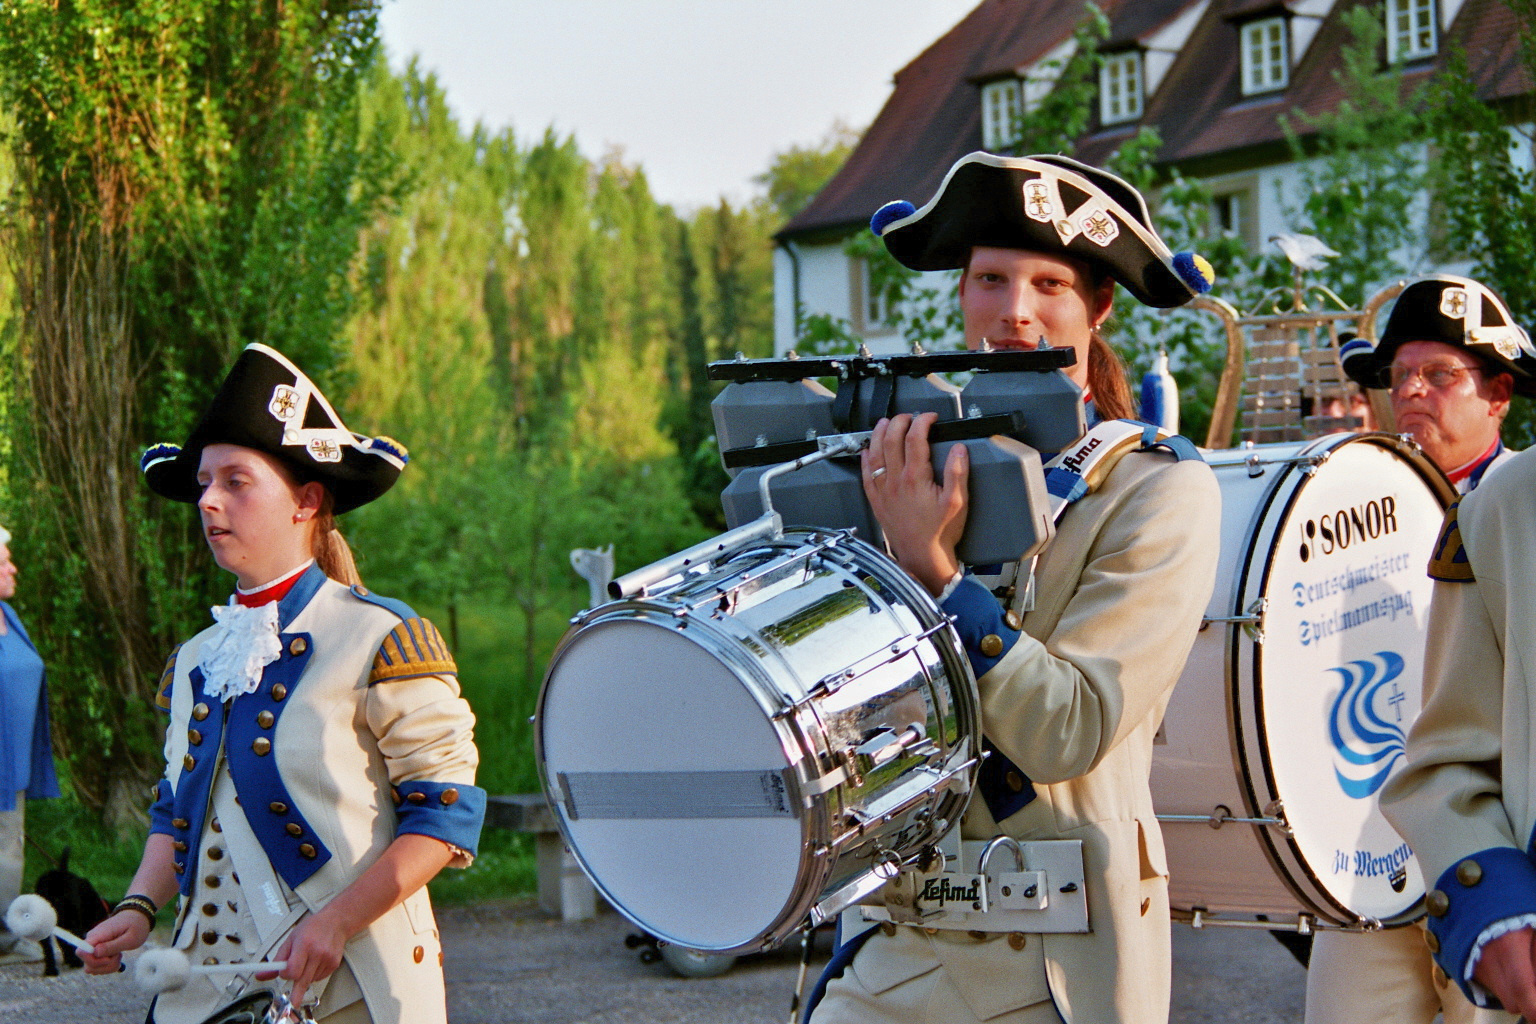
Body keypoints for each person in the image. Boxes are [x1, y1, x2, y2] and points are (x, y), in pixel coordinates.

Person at [805, 152, 1222, 1024]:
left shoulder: (1157, 489)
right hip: (897, 939)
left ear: (1098, 309)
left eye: (1050, 284)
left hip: (1058, 960)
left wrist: (936, 573)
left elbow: (1069, 728)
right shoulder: (905, 463)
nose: (1014, 312)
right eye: (990, 279)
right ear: (961, 293)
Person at [79, 344, 485, 1024]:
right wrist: (138, 906)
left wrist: (334, 922)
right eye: (204, 481)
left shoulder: (383, 638)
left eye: (236, 481)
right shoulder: (194, 660)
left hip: (353, 989)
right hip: (204, 993)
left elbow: (443, 819)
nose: (208, 499)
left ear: (306, 500)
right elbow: (176, 809)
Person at [1304, 275, 1536, 1024]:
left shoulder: (1515, 513)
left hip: (1497, 857)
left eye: (1440, 375)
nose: (1411, 392)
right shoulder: (1341, 511)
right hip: (1365, 848)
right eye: (1401, 376)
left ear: (1499, 395)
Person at [0, 524, 61, 965]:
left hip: (15, 762)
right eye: (4, 562)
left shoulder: (9, 617)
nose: (13, 568)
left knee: (9, 846)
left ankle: (5, 932)